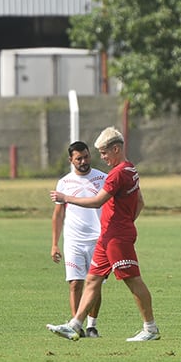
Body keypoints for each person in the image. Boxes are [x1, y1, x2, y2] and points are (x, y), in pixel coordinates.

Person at [46, 127, 160, 342]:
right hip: (107, 236)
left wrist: (66, 198)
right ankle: (75, 325)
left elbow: (97, 201)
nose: (102, 157)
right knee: (92, 280)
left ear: (115, 149)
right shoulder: (130, 169)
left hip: (116, 236)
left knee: (132, 280)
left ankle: (150, 328)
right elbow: (141, 202)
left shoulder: (117, 174)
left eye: (104, 153)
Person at [51, 141, 107, 337]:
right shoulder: (64, 183)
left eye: (86, 156)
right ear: (71, 160)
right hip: (74, 240)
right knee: (75, 283)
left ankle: (92, 325)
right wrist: (54, 244)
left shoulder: (102, 178)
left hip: (98, 240)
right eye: (79, 158)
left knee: (95, 283)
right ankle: (76, 327)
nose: (84, 161)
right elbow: (58, 215)